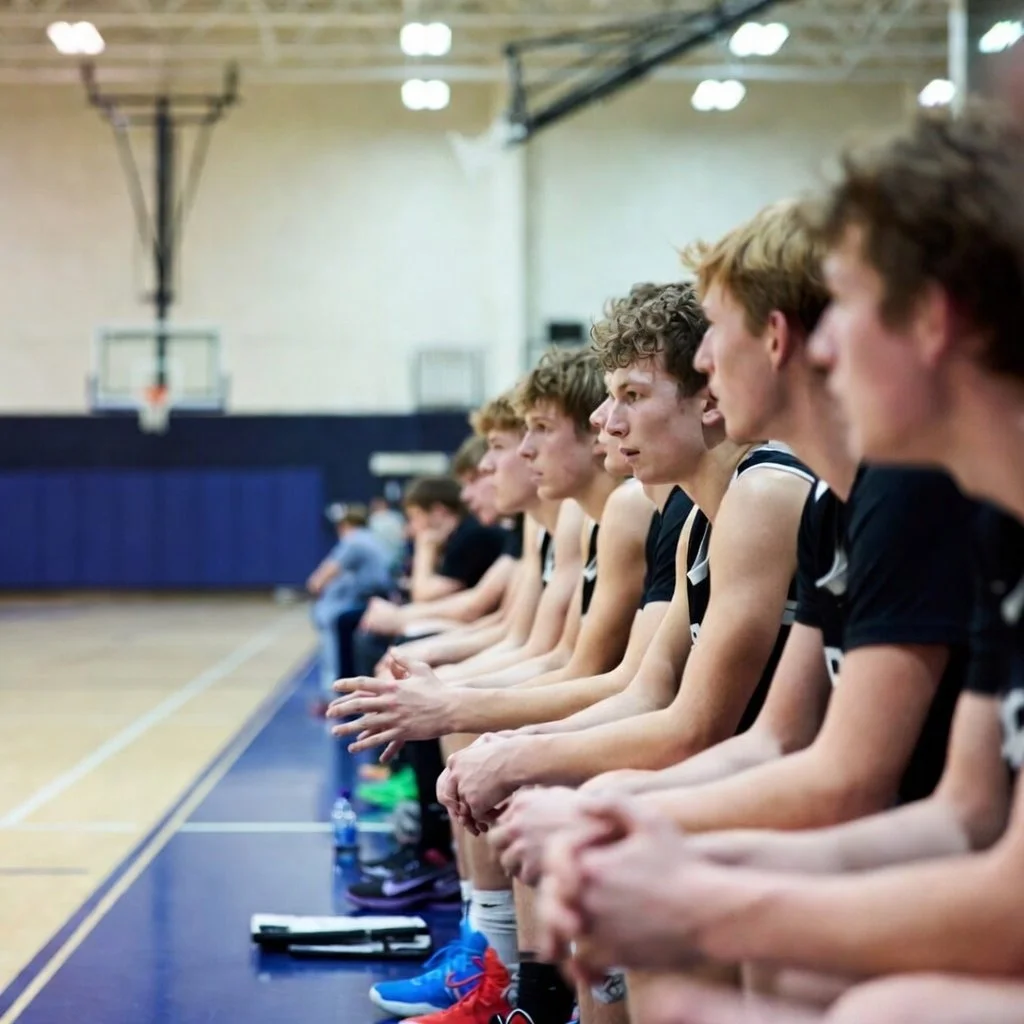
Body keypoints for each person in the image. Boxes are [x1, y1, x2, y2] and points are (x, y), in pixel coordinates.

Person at [537, 102, 1024, 1023]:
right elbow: (961, 812)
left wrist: (704, 897)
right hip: (932, 853)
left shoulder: (892, 497)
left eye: (850, 307)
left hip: (930, 871)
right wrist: (659, 850)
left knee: (848, 996)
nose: (827, 346)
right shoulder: (944, 511)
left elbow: (855, 783)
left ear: (933, 318)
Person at [305, 502, 394, 702]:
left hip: (369, 601)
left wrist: (314, 587)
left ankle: (336, 686)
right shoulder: (372, 539)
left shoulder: (354, 541)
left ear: (344, 525)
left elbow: (324, 575)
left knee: (333, 622)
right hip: (378, 598)